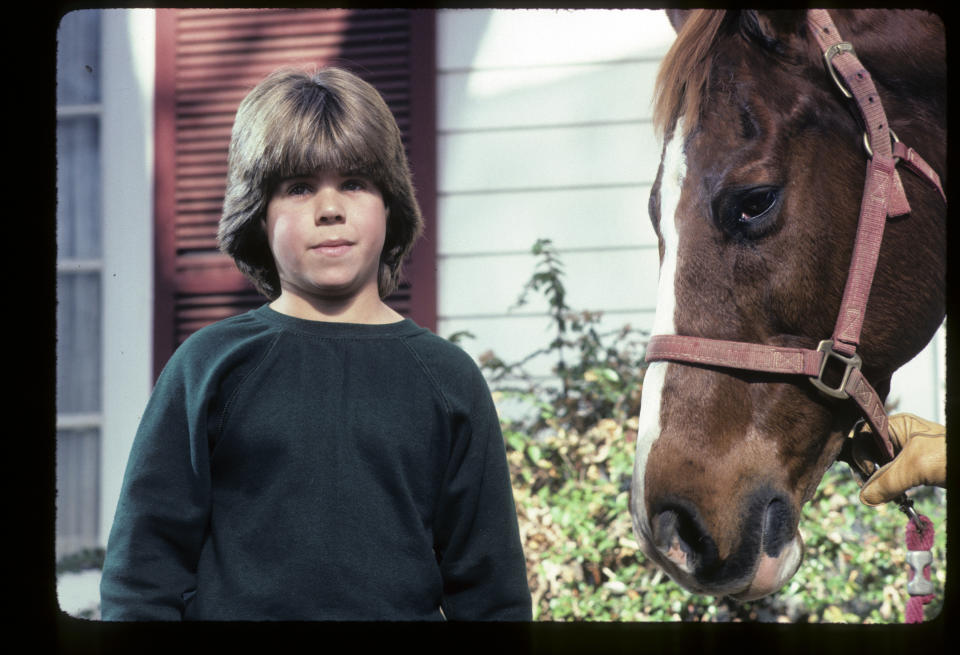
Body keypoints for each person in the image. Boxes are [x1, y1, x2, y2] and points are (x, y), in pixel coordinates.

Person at [100, 67, 532, 621]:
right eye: (299, 187)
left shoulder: (447, 379)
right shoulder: (210, 366)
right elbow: (143, 572)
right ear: (259, 215)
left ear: (389, 205)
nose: (330, 208)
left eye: (354, 182)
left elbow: (492, 595)